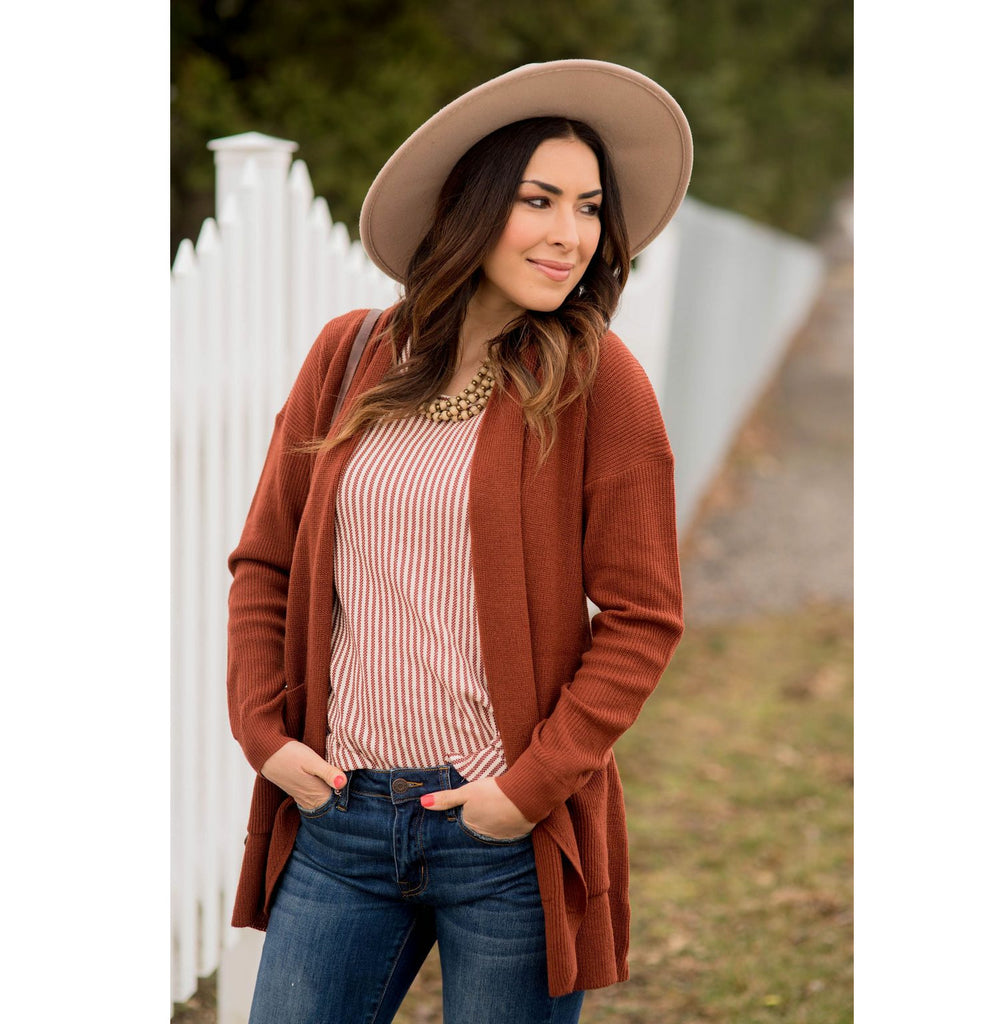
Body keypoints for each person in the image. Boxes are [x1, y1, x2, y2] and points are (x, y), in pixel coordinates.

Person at [226, 59, 693, 1024]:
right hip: (339, 820)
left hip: (505, 837)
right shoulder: (350, 355)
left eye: (590, 208)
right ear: (474, 207)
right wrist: (264, 733)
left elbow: (644, 618)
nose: (571, 234)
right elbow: (265, 563)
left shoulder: (600, 384)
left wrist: (527, 790)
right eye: (538, 200)